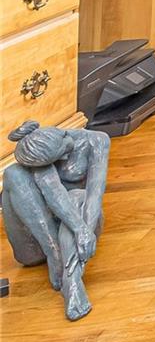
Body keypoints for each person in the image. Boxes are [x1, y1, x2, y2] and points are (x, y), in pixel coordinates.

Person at [1, 121, 110, 321]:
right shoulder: (40, 157)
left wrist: (82, 232)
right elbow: (54, 194)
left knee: (78, 195)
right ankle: (56, 255)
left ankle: (72, 280)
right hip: (39, 241)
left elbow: (95, 194)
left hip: (79, 231)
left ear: (64, 140)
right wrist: (59, 247)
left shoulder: (97, 140)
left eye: (61, 155)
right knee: (13, 173)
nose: (63, 159)